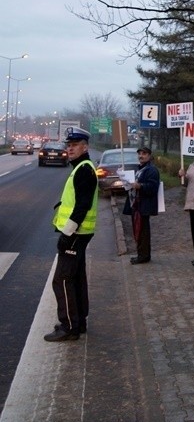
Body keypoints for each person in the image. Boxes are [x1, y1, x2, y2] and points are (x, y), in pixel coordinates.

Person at [44, 127, 98, 342]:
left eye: (74, 145)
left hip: (76, 233)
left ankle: (68, 327)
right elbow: (78, 199)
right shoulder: (82, 168)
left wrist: (68, 232)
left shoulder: (84, 169)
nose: (70, 149)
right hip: (81, 232)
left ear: (85, 147)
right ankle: (79, 322)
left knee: (62, 280)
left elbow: (82, 205)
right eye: (69, 145)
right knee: (76, 278)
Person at [123, 146, 160, 264]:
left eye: (144, 154)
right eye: (139, 154)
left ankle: (143, 256)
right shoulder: (140, 169)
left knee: (142, 231)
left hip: (144, 206)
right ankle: (141, 254)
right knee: (138, 230)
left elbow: (153, 187)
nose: (141, 156)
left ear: (149, 155)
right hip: (137, 205)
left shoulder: (151, 170)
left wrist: (141, 186)